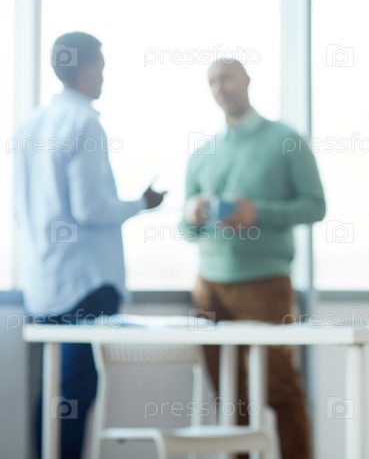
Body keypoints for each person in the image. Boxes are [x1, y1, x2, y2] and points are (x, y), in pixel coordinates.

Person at [13, 31, 165, 459]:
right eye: (101, 65)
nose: (103, 75)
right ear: (85, 68)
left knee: (53, 388)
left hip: (44, 279)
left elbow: (21, 209)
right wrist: (143, 203)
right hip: (85, 280)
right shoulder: (84, 124)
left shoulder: (30, 126)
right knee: (77, 387)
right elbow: (91, 208)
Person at [180, 58, 325, 459]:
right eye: (212, 82)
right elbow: (185, 229)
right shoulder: (203, 153)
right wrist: (191, 215)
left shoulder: (286, 140)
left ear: (246, 80)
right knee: (229, 394)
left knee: (281, 389)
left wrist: (257, 212)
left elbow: (315, 206)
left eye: (226, 78)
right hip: (209, 287)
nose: (220, 88)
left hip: (266, 285)